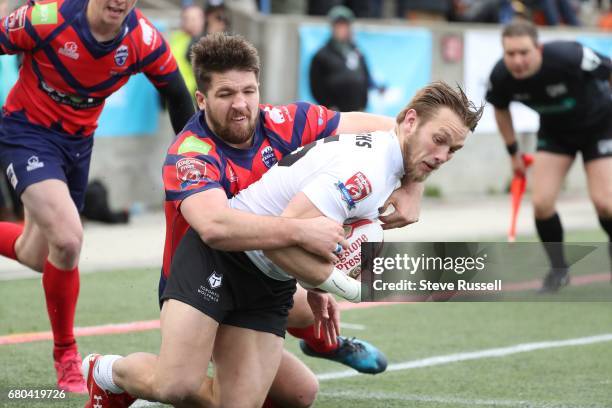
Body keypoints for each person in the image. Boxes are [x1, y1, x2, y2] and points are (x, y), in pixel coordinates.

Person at [81, 33, 440, 408]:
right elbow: (216, 227)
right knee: (176, 385)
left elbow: (393, 130)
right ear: (201, 100)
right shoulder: (191, 153)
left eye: (248, 91)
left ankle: (323, 342)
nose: (240, 105)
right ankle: (107, 373)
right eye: (225, 95)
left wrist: (413, 183)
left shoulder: (286, 122)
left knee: (300, 392)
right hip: (202, 271)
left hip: (262, 274)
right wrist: (303, 232)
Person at [0, 0, 194, 393]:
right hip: (26, 133)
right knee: (69, 240)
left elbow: (177, 95)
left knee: (35, 254)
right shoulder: (48, 19)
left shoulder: (142, 38)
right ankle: (66, 355)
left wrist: (196, 159)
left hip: (77, 147)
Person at [486, 19, 612, 292]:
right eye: (510, 54)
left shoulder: (569, 55)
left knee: (605, 203)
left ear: (538, 49)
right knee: (542, 203)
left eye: (524, 53)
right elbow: (500, 109)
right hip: (556, 133)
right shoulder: (501, 76)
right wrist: (513, 153)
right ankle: (559, 270)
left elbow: (609, 69)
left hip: (600, 126)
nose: (517, 61)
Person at [309, 5, 384, 112]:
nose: (342, 29)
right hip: (334, 114)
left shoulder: (357, 52)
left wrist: (363, 104)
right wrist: (328, 106)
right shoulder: (321, 55)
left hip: (357, 111)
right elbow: (316, 85)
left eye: (345, 25)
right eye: (338, 26)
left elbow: (365, 78)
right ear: (332, 28)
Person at [169, 3, 205, 98]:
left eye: (196, 19)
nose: (194, 22)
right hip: (174, 93)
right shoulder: (175, 39)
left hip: (195, 95)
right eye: (189, 19)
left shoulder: (206, 41)